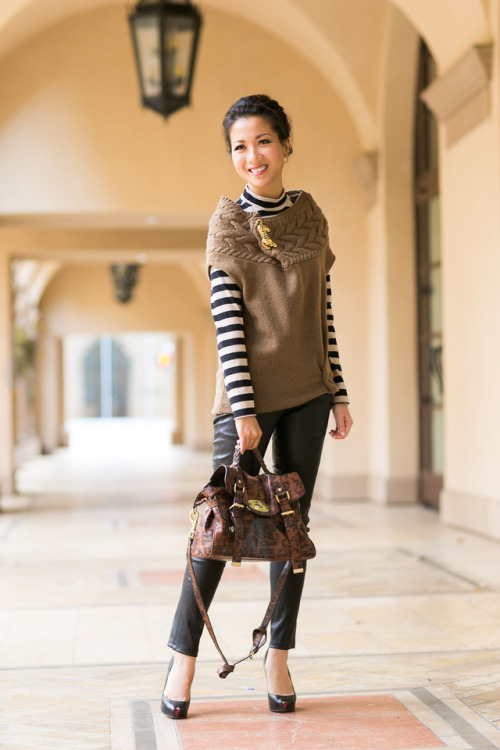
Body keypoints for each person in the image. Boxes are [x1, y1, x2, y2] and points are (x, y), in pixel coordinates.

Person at [161, 94, 353, 720]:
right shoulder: (227, 226)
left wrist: (339, 390)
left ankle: (279, 653)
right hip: (245, 399)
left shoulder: (311, 220)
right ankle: (183, 656)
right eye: (240, 146)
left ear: (286, 144)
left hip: (307, 393)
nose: (252, 156)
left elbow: (321, 314)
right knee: (216, 527)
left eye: (263, 141)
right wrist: (243, 412)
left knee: (290, 533)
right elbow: (228, 329)